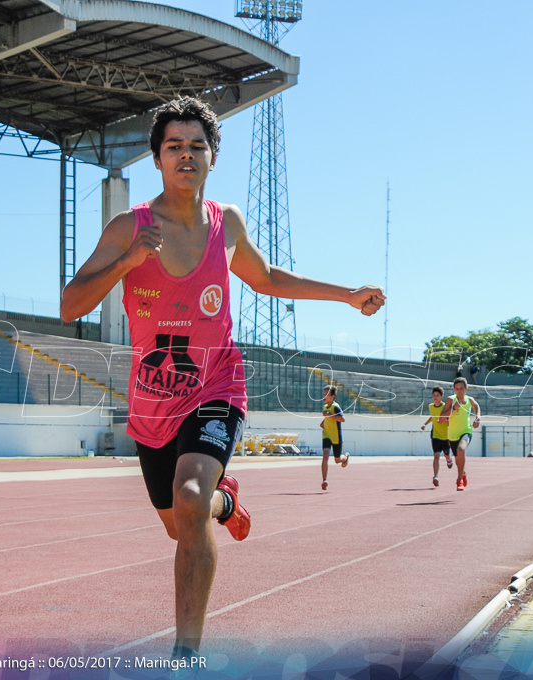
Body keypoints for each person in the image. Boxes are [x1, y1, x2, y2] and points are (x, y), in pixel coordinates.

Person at [59, 97, 384, 657]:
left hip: (216, 386)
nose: (186, 156)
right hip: (154, 402)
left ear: (212, 157)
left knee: (188, 498)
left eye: (196, 147)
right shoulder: (128, 227)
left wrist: (346, 294)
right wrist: (126, 262)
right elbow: (70, 306)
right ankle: (224, 504)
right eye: (173, 147)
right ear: (156, 159)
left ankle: (186, 654)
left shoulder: (225, 222)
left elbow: (266, 278)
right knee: (181, 521)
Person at [447, 377, 481, 491]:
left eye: (461, 388)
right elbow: (443, 416)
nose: (459, 391)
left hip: (466, 431)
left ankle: (459, 479)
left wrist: (478, 417)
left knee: (461, 450)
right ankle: (463, 473)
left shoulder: (469, 399)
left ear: (466, 388)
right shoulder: (450, 400)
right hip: (452, 434)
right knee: (458, 460)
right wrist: (453, 408)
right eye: (457, 389)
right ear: (454, 389)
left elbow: (477, 406)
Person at [421, 386, 452, 487]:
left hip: (446, 435)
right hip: (435, 434)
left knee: (446, 454)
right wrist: (425, 424)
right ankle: (435, 476)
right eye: (434, 395)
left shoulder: (445, 407)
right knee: (436, 455)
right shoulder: (431, 406)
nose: (435, 397)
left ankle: (448, 459)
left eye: (437, 395)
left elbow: (451, 419)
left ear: (442, 396)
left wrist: (444, 420)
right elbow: (432, 417)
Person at [320, 385, 348, 490]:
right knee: (325, 455)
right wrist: (323, 422)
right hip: (326, 435)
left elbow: (342, 419)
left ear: (333, 396)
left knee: (337, 460)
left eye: (326, 395)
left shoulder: (335, 406)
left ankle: (345, 458)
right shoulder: (325, 407)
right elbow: (328, 418)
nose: (324, 396)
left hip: (336, 437)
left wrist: (329, 416)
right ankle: (324, 480)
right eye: (323, 394)